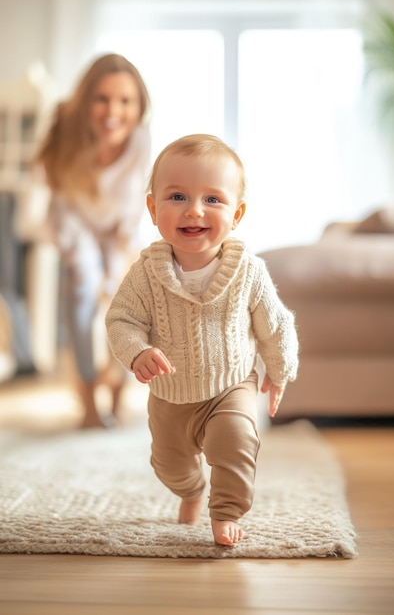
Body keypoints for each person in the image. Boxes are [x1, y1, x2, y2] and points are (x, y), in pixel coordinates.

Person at [105, 134, 299, 546]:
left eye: (212, 199)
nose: (194, 210)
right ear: (152, 208)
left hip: (232, 385)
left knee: (236, 440)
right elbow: (121, 319)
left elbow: (276, 324)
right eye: (177, 196)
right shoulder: (145, 274)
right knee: (169, 465)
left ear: (237, 213)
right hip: (170, 393)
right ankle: (190, 490)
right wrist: (137, 351)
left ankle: (225, 511)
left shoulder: (249, 273)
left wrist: (279, 371)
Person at [32, 53, 151, 428]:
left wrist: (114, 267)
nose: (113, 111)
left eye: (125, 101)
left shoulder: (140, 142)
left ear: (138, 105)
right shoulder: (65, 131)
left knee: (124, 301)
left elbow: (131, 214)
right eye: (102, 99)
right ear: (86, 101)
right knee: (82, 287)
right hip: (75, 226)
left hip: (118, 232)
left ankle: (116, 396)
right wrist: (85, 263)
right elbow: (62, 207)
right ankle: (87, 403)